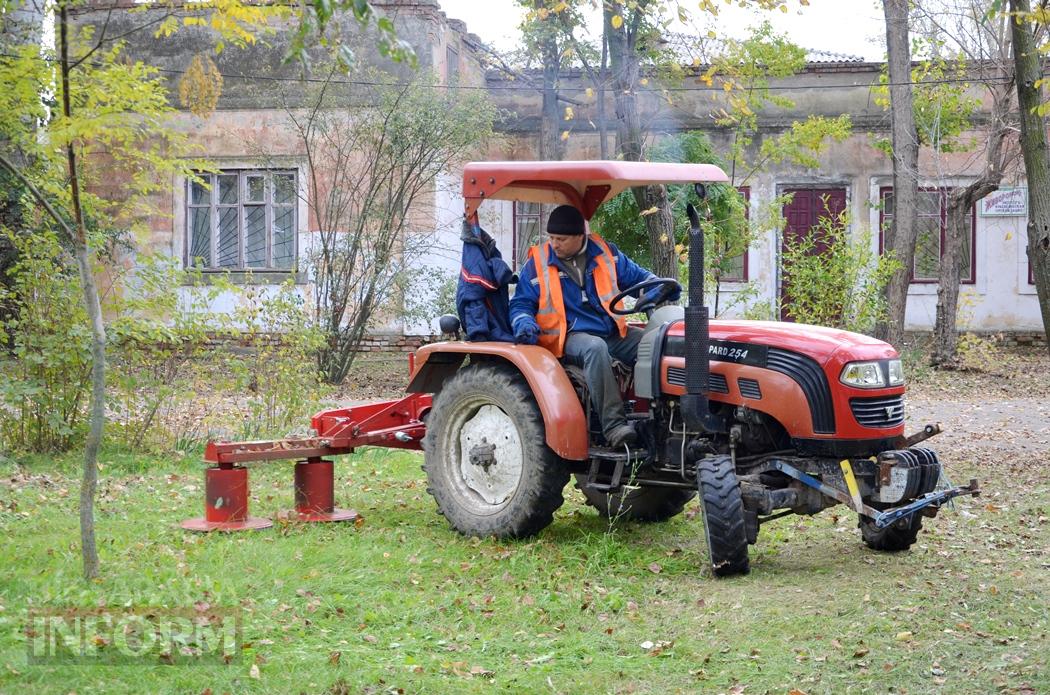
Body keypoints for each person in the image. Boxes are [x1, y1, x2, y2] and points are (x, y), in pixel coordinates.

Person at [509, 204, 679, 448]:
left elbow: (640, 278)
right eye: (552, 238)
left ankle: (662, 419)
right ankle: (614, 427)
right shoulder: (538, 264)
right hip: (568, 336)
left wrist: (659, 287)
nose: (554, 244)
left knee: (656, 344)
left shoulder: (606, 254)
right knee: (595, 348)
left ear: (580, 236)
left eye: (561, 239)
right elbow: (520, 304)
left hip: (611, 330)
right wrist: (523, 321)